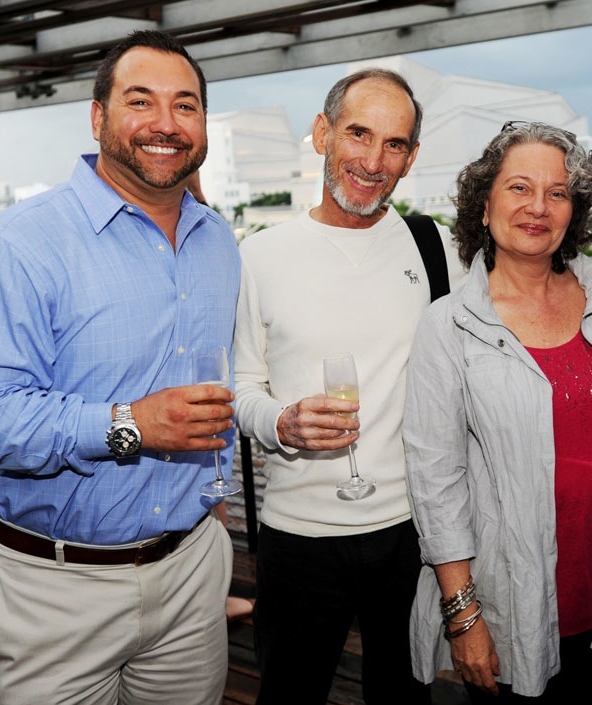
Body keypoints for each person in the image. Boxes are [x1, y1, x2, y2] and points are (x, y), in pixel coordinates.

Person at [0, 30, 240, 704]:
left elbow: (218, 392)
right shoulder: (19, 244)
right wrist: (128, 425)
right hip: (55, 589)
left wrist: (213, 528)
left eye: (186, 106)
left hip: (190, 573)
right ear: (98, 117)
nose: (166, 123)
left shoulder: (218, 239)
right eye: (141, 101)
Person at [403, 121, 592, 703]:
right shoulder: (449, 327)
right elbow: (435, 483)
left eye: (558, 192)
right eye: (519, 188)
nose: (538, 207)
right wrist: (464, 618)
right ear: (484, 205)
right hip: (509, 604)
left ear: (575, 211)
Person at [232, 67, 465, 705]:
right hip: (298, 536)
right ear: (321, 133)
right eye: (358, 134)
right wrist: (279, 423)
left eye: (395, 144)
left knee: (406, 697)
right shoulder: (259, 255)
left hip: (410, 532)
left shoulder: (436, 248)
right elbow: (242, 386)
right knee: (290, 695)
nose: (373, 160)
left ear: (412, 157)